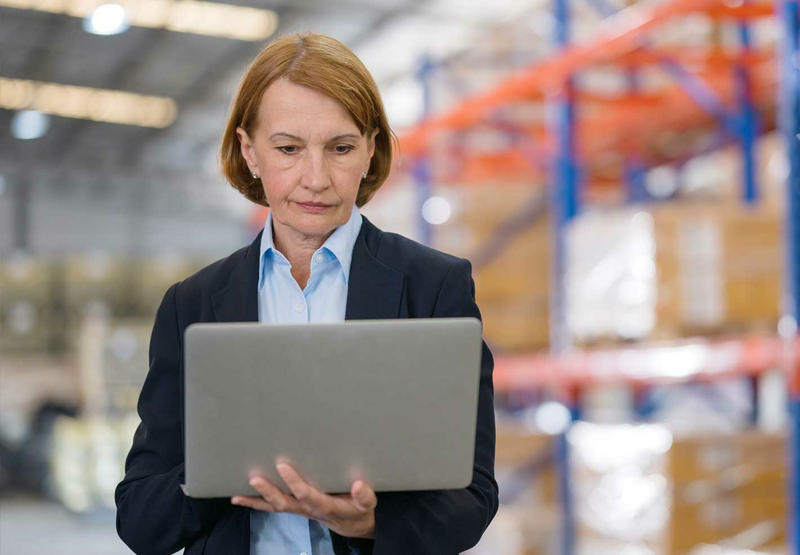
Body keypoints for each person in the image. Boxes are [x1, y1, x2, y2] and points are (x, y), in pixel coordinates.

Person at [115, 31, 498, 555]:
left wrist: (367, 523)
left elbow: (472, 499)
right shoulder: (193, 304)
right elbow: (140, 519)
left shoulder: (434, 286)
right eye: (288, 148)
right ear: (250, 152)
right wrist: (229, 470)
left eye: (340, 148)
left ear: (370, 150)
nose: (315, 178)